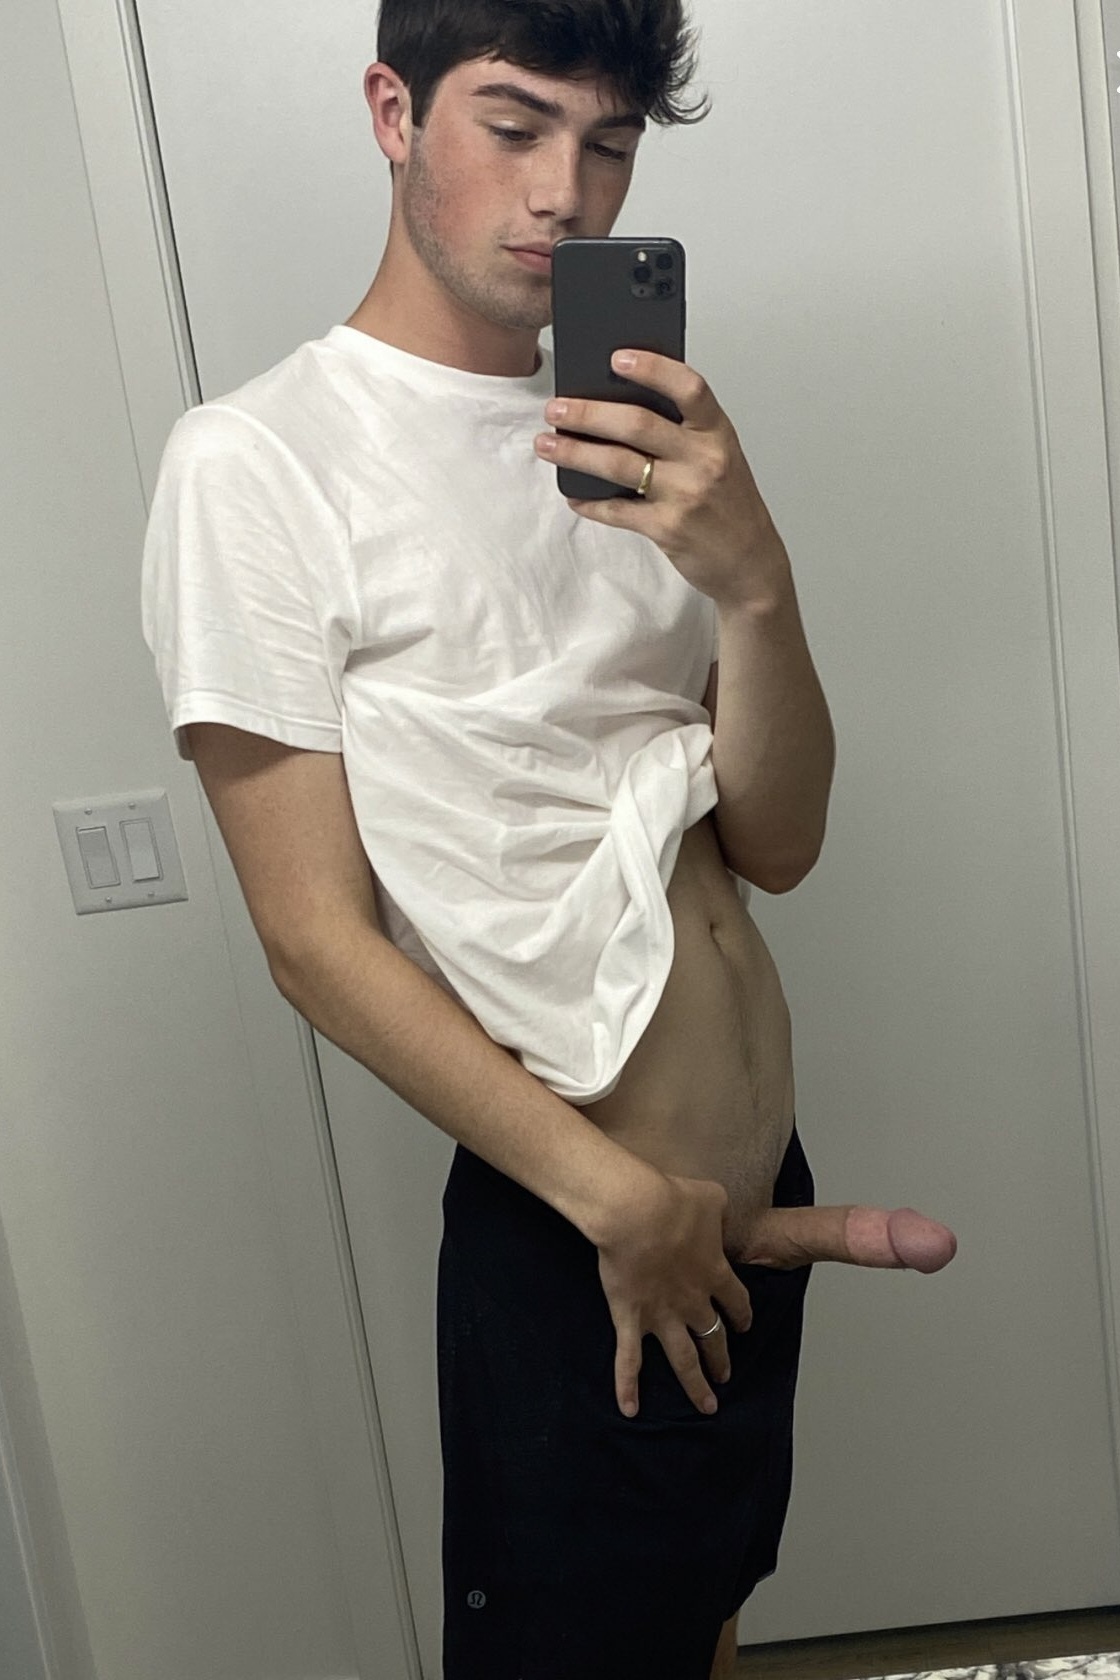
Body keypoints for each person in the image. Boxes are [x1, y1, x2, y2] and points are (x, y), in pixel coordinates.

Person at [140, 3, 958, 1676]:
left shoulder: (636, 441)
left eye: (609, 145)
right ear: (393, 109)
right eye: (513, 126)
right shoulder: (259, 462)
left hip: (735, 1205)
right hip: (579, 1218)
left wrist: (757, 583)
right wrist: (619, 1201)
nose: (565, 193)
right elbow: (312, 937)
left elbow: (777, 844)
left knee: (706, 1615)